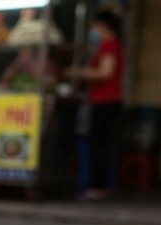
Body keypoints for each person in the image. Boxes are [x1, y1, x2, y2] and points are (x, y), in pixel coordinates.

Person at [70, 8, 123, 200]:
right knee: (98, 143)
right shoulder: (106, 46)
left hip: (106, 101)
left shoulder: (110, 46)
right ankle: (98, 185)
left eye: (95, 27)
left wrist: (79, 72)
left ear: (103, 26)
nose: (93, 31)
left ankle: (98, 187)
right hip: (103, 100)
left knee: (99, 143)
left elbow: (105, 72)